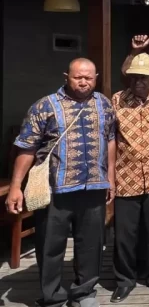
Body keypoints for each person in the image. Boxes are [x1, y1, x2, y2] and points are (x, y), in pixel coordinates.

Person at [6, 59, 116, 307]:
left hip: (94, 187)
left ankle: (84, 293)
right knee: (50, 246)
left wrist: (111, 178)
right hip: (55, 190)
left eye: (89, 77)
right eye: (78, 77)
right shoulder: (45, 106)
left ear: (96, 78)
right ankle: (52, 296)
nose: (83, 82)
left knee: (90, 244)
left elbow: (110, 140)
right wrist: (15, 186)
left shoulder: (105, 105)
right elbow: (26, 147)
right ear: (67, 76)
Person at [110, 54, 149, 303]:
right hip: (126, 176)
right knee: (125, 234)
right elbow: (110, 137)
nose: (138, 82)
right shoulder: (117, 99)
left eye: (143, 77)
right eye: (134, 77)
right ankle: (124, 279)